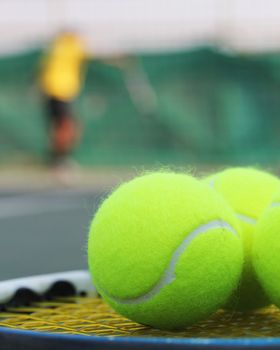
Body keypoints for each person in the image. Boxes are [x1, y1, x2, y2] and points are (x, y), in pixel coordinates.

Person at [39, 31, 86, 168]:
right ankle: (59, 159)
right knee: (66, 127)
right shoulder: (71, 47)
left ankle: (59, 159)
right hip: (60, 93)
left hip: (57, 93)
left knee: (64, 127)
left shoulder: (54, 49)